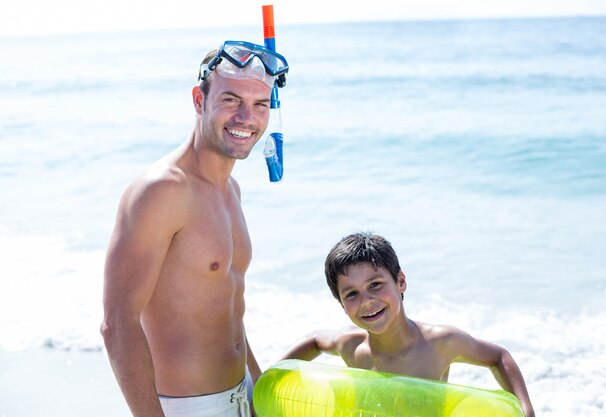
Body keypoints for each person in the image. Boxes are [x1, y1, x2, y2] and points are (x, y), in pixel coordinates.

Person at [101, 40, 289, 417]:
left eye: (260, 104)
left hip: (242, 396)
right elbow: (117, 324)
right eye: (231, 100)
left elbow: (226, 308)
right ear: (199, 101)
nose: (246, 118)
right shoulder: (162, 191)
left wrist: (256, 392)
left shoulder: (231, 190)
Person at [281, 231, 535, 417]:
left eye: (375, 285)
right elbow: (315, 340)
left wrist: (526, 409)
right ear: (341, 303)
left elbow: (498, 357)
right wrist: (270, 378)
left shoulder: (440, 343)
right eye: (352, 294)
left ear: (400, 282)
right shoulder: (351, 346)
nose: (367, 301)